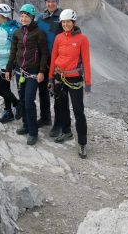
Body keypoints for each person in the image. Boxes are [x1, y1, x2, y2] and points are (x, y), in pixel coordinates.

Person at [48, 9, 91, 159]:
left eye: (68, 22)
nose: (66, 24)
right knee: (62, 106)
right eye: (63, 22)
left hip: (74, 79)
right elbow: (54, 57)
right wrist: (50, 78)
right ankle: (67, 132)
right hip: (59, 76)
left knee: (78, 110)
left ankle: (82, 143)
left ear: (74, 23)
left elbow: (86, 61)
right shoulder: (59, 38)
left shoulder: (82, 39)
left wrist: (88, 83)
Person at [5, 4, 49, 146]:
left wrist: (42, 71)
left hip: (33, 72)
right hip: (19, 71)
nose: (23, 18)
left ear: (32, 17)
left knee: (29, 101)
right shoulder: (17, 33)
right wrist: (8, 69)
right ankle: (25, 125)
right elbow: (13, 53)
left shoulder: (38, 33)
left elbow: (44, 54)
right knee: (22, 99)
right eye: (22, 16)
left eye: (26, 16)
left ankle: (33, 132)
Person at [36, 0, 63, 132]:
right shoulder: (40, 18)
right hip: (43, 60)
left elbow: (74, 32)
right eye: (48, 1)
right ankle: (46, 117)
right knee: (42, 89)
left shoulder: (63, 17)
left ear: (57, 2)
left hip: (58, 61)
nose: (50, 4)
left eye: (53, 1)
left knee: (58, 91)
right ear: (45, 2)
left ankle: (59, 123)